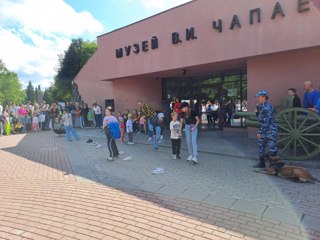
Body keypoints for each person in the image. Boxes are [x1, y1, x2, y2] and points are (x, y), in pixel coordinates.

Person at [254, 90, 284, 169]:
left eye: (258, 97)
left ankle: (274, 165)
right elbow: (260, 118)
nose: (257, 98)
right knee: (261, 146)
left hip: (270, 131)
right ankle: (262, 163)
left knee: (272, 148)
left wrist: (259, 132)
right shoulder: (260, 106)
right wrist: (257, 113)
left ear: (264, 97)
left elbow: (265, 122)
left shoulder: (267, 107)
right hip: (264, 130)